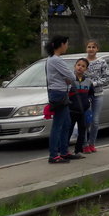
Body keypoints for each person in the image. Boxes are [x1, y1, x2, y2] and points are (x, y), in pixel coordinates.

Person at [45, 35, 77, 163]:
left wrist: (67, 79)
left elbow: (67, 77)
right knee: (58, 125)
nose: (67, 46)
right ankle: (53, 155)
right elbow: (71, 76)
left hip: (60, 92)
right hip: (59, 94)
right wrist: (68, 78)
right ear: (62, 44)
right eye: (67, 44)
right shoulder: (56, 60)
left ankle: (64, 152)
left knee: (66, 124)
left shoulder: (51, 59)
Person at [83, 39, 109, 153]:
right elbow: (76, 75)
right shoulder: (82, 62)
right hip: (84, 96)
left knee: (95, 121)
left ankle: (92, 143)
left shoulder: (102, 62)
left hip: (98, 94)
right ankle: (84, 144)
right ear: (86, 49)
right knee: (86, 120)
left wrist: (93, 83)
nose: (91, 49)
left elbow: (106, 79)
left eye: (93, 47)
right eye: (89, 47)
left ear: (97, 49)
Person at [68, 58, 94, 157]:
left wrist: (88, 103)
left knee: (82, 132)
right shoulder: (69, 80)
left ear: (86, 69)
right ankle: (64, 150)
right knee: (68, 130)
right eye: (78, 65)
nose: (80, 67)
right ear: (75, 66)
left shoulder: (88, 82)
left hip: (84, 111)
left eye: (83, 66)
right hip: (71, 110)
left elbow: (91, 94)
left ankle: (78, 150)